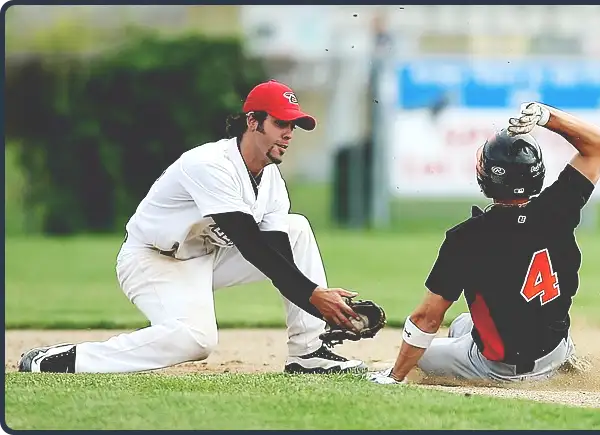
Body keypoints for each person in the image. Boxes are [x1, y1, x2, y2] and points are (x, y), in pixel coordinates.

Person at [19, 79, 367, 375]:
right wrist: (315, 296)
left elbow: (278, 254)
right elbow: (250, 244)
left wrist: (324, 307)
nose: (289, 134)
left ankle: (309, 353)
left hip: (207, 257)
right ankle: (65, 360)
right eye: (281, 123)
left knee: (296, 228)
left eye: (294, 126)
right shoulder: (210, 164)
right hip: (153, 261)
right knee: (196, 340)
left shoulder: (271, 179)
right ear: (253, 121)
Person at [368, 102, 600, 384]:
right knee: (462, 323)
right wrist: (547, 116)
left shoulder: (465, 238)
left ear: (485, 176)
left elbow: (427, 319)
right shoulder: (559, 208)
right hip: (554, 349)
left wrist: (395, 375)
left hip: (501, 368)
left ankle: (421, 372)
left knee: (417, 355)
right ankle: (562, 361)